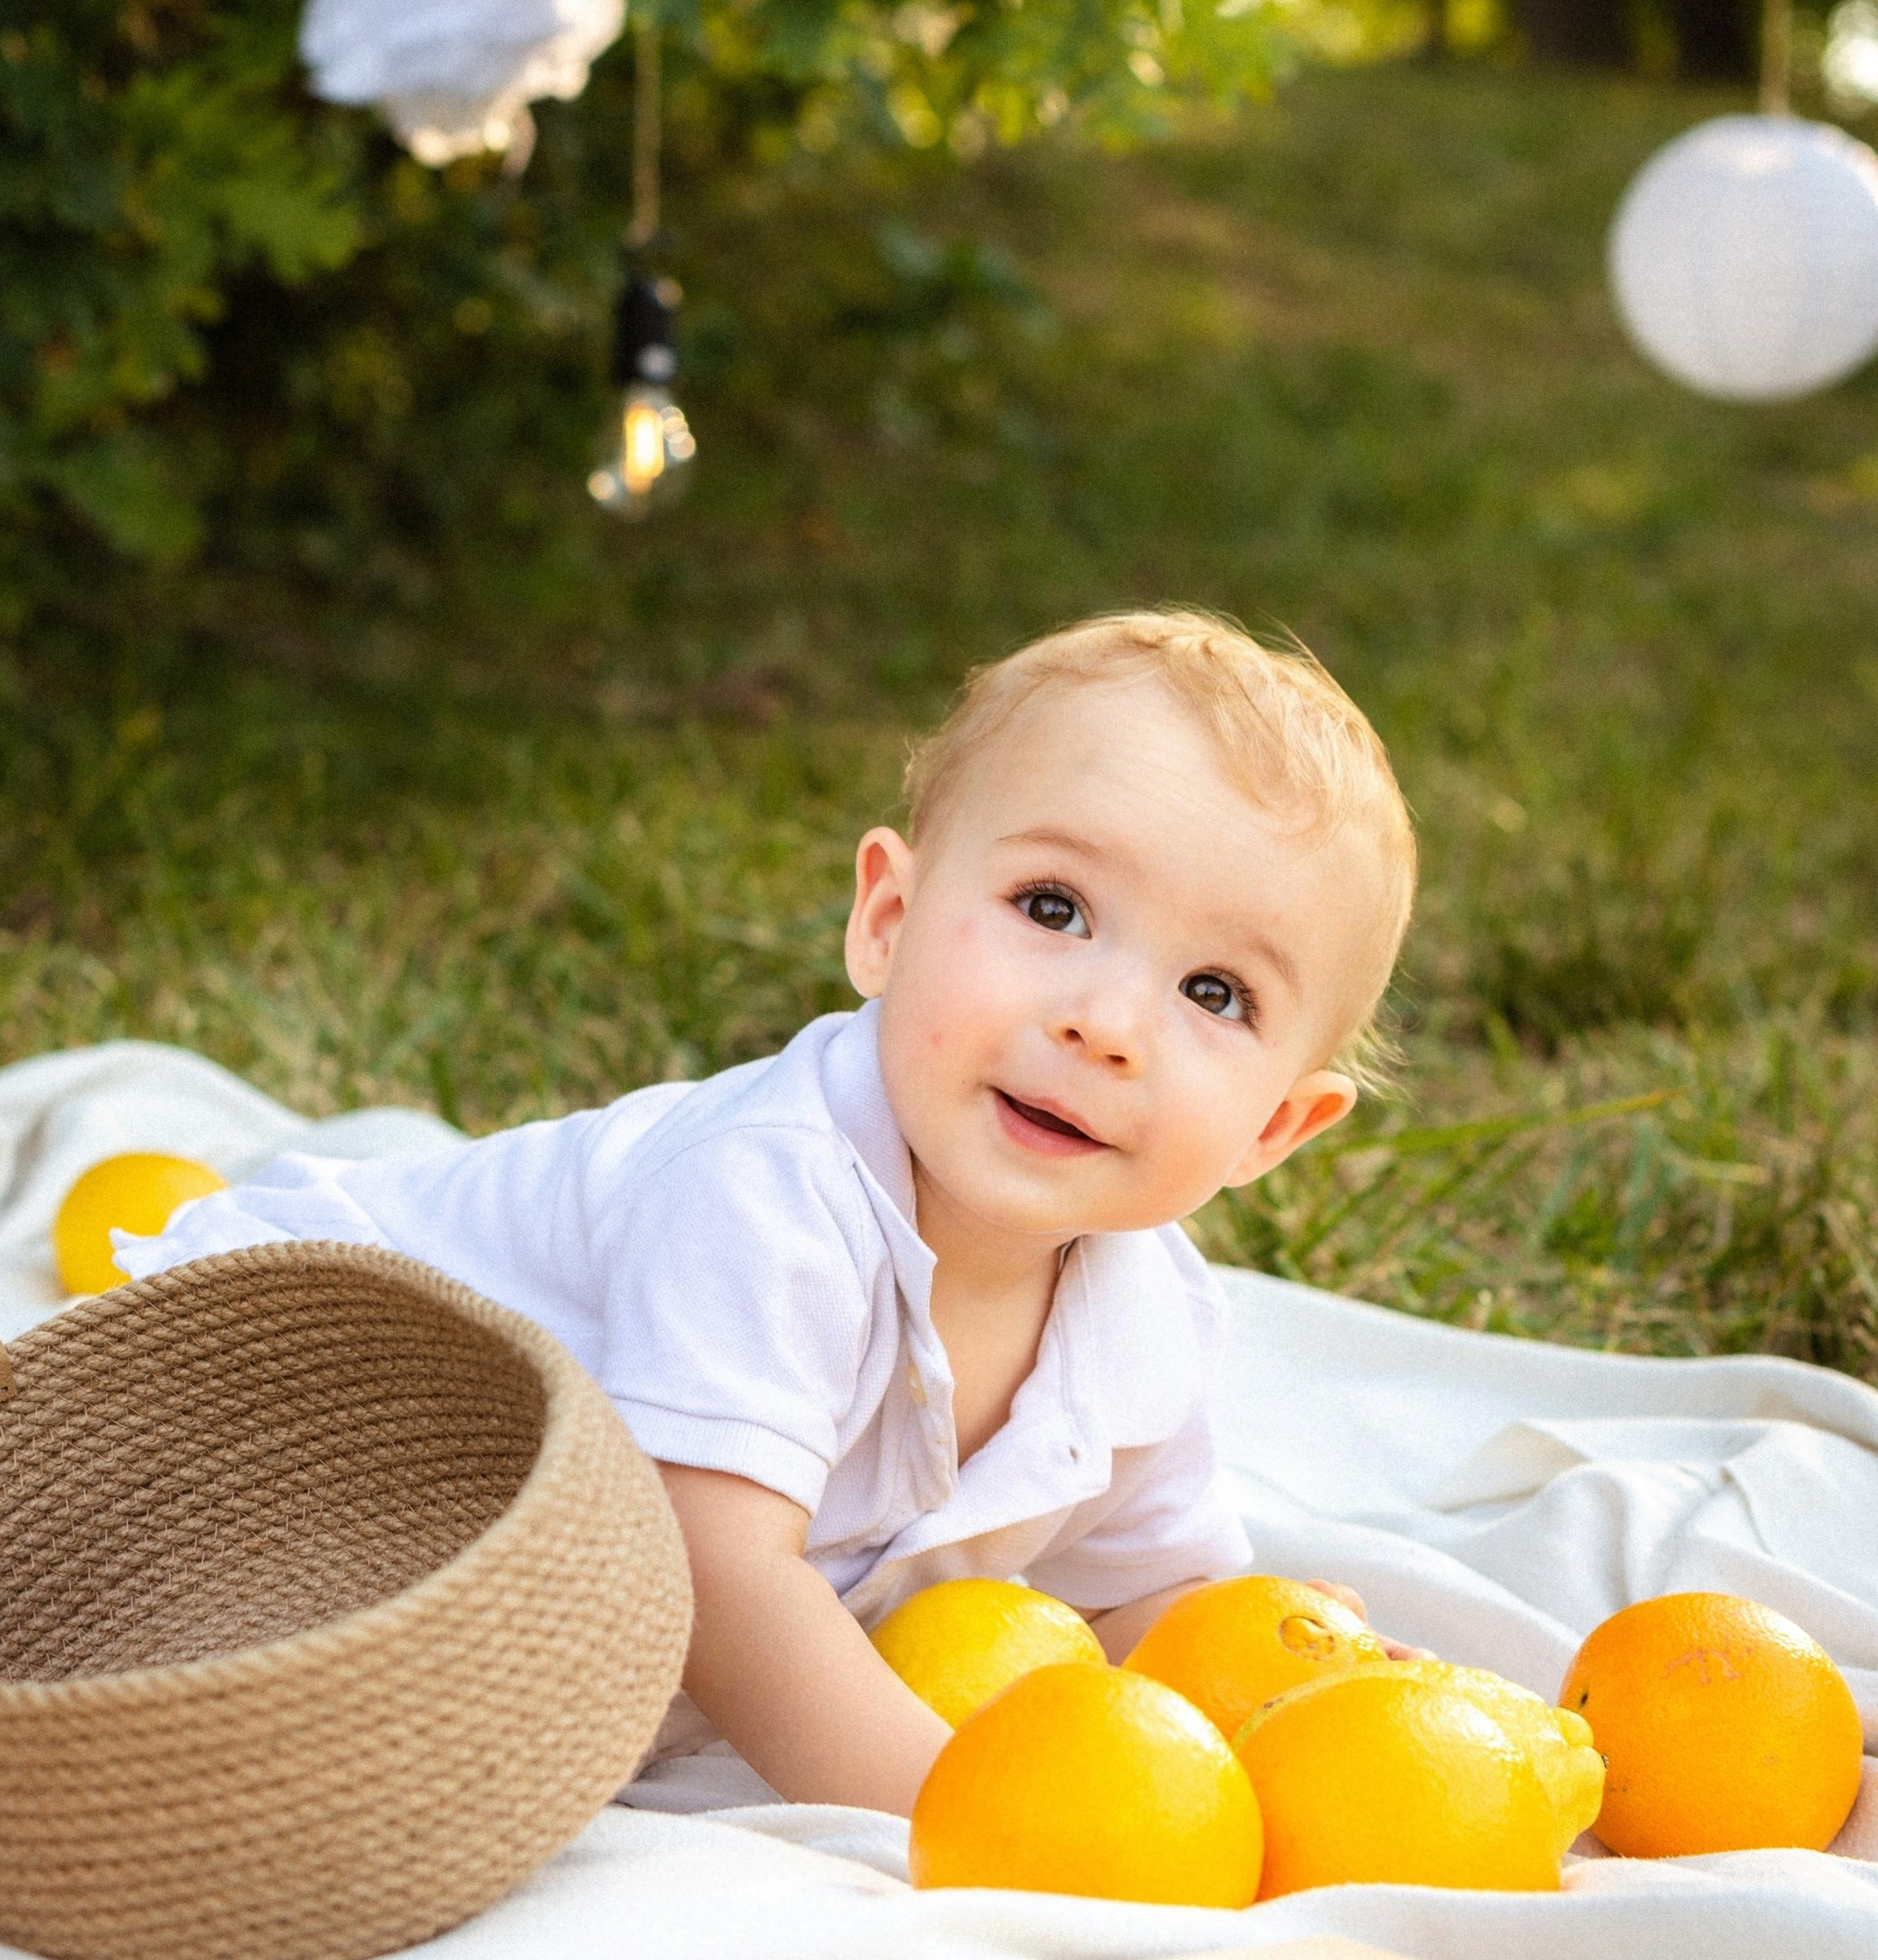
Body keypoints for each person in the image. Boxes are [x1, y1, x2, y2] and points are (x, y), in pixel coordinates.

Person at [119, 609, 1417, 1814]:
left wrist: (1294, 1706)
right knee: (238, 1720)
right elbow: (713, 1576)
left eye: (1213, 993)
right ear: (888, 920)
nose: (1108, 1021)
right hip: (272, 1397)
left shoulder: (1151, 1316)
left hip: (494, 1590)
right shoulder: (769, 1189)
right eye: (1052, 908)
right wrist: (969, 1814)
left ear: (1275, 1130)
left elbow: (1145, 1596)